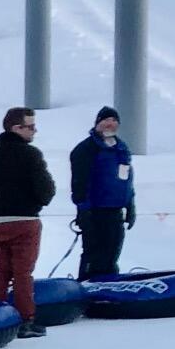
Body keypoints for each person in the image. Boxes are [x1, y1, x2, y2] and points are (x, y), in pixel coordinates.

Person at [0, 107, 56, 336]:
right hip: (25, 220)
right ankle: (26, 320)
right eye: (31, 127)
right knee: (22, 273)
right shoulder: (30, 154)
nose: (34, 132)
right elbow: (46, 191)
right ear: (16, 128)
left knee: (0, 271)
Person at [69, 105, 134, 280]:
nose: (110, 124)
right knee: (93, 254)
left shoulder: (121, 148)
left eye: (114, 121)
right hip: (94, 212)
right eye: (106, 120)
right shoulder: (86, 149)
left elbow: (126, 179)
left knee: (112, 254)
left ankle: (109, 286)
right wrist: (83, 210)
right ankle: (87, 284)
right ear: (98, 123)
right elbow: (80, 183)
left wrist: (130, 204)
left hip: (115, 212)